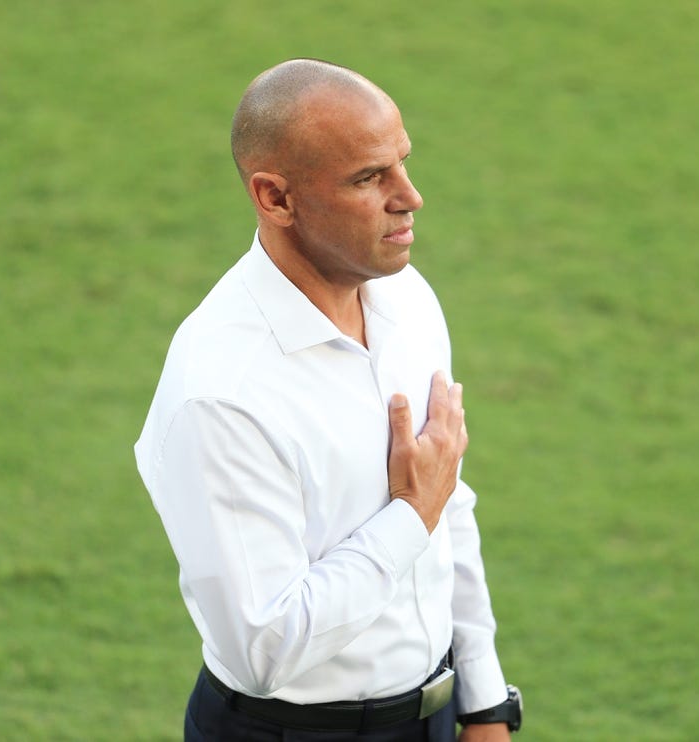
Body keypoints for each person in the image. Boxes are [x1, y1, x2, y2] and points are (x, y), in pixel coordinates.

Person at [134, 59, 522, 741]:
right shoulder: (221, 394)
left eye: (402, 163)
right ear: (275, 198)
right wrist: (411, 514)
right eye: (369, 178)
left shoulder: (407, 298)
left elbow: (447, 496)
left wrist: (485, 701)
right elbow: (266, 651)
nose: (410, 196)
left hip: (435, 716)